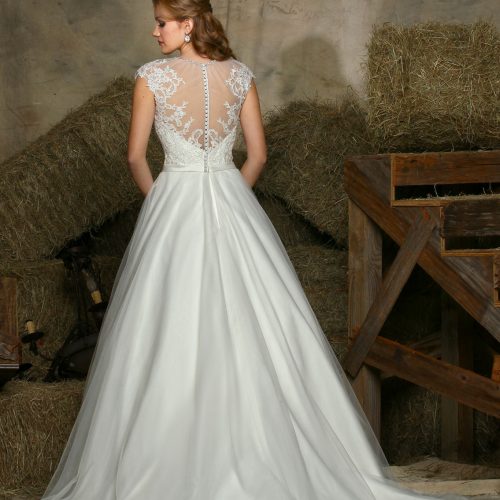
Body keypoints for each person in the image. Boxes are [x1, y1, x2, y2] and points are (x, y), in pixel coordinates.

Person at [42, 1, 466, 499]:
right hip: (231, 200)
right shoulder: (240, 75)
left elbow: (135, 157)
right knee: (255, 322)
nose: (155, 32)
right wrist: (230, 199)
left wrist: (162, 202)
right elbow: (258, 156)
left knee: (165, 323)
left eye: (161, 22)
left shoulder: (152, 77)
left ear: (188, 24)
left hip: (174, 200)